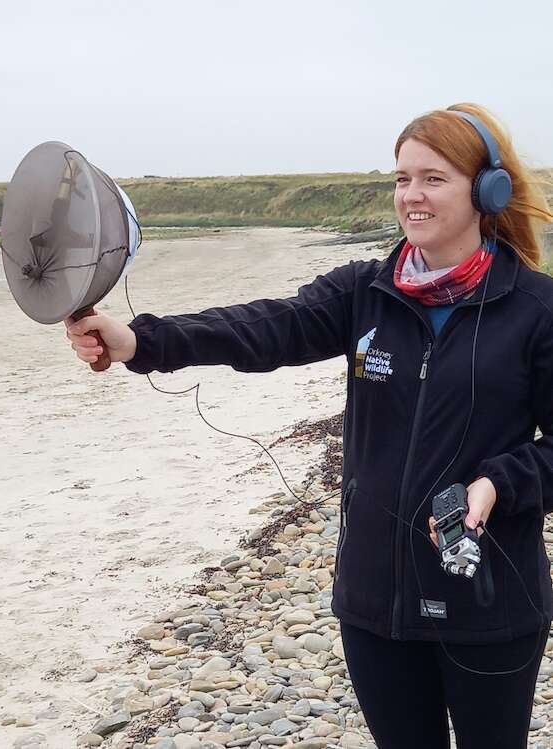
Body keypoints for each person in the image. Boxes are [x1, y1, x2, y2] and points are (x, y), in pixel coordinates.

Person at [65, 102, 553, 748]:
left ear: (486, 188)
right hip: (375, 610)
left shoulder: (534, 308)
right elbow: (265, 326)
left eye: (433, 178)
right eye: (402, 178)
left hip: (491, 610)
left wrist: (498, 481)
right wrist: (140, 340)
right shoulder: (366, 291)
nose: (411, 194)